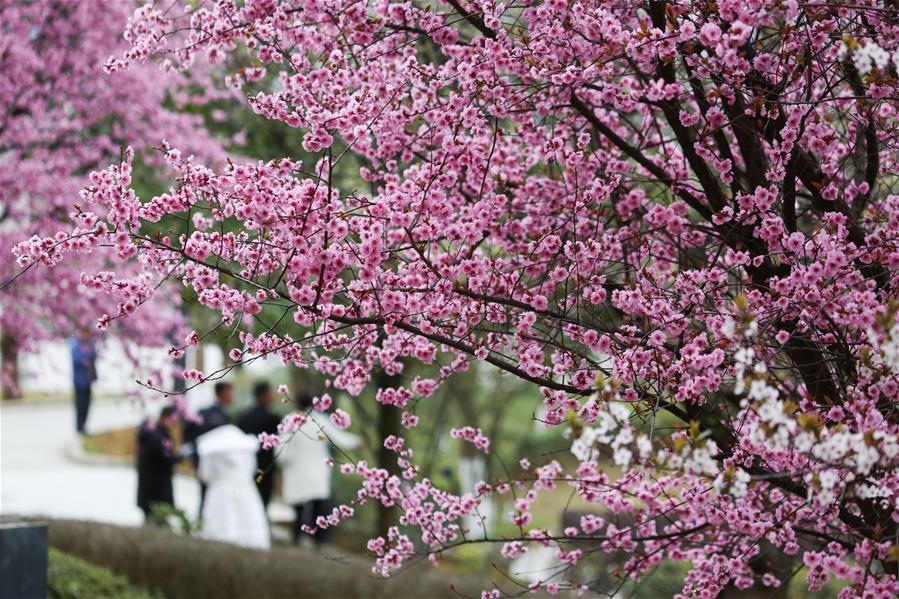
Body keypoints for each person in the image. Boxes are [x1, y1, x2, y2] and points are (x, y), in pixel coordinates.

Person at [277, 391, 360, 547]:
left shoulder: (289, 420)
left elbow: (281, 445)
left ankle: (296, 537)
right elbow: (339, 437)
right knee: (318, 506)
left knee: (298, 507)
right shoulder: (319, 420)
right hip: (317, 469)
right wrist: (356, 441)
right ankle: (319, 539)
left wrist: (282, 462)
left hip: (297, 469)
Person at [196, 424, 270, 549]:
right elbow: (252, 469)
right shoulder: (246, 450)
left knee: (219, 524)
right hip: (245, 489)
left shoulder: (211, 451)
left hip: (219, 491)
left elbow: (205, 475)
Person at [183, 381, 233, 516]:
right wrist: (190, 455)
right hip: (204, 461)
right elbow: (188, 433)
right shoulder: (204, 412)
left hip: (220, 463)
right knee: (205, 493)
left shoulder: (225, 415)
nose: (231, 396)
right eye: (230, 392)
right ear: (222, 393)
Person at [237, 381, 281, 508]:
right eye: (270, 392)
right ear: (264, 395)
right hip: (266, 467)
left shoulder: (243, 416)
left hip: (246, 464)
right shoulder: (273, 418)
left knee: (248, 500)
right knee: (263, 501)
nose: (273, 395)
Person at [136, 405, 182, 523]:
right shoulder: (157, 436)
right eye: (173, 420)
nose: (174, 423)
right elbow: (165, 457)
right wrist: (178, 457)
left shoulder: (153, 433)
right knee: (156, 520)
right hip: (157, 489)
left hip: (149, 489)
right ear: (165, 417)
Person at [70, 329, 97, 434]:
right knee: (80, 405)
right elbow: (76, 359)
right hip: (79, 381)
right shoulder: (76, 344)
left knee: (87, 405)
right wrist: (86, 357)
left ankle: (84, 426)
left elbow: (94, 356)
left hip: (88, 380)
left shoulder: (90, 344)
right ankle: (79, 427)